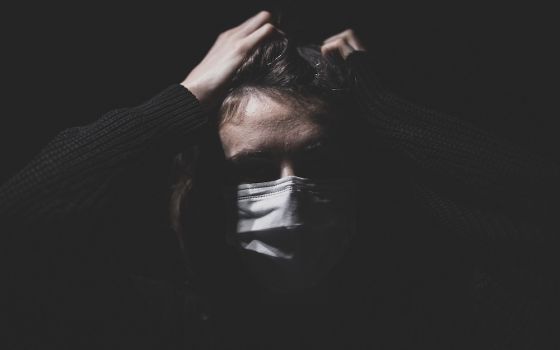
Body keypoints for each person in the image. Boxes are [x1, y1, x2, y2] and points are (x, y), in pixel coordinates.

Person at [2, 10, 559, 350]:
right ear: (206, 179)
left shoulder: (443, 312)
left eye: (317, 164)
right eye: (254, 170)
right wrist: (182, 102)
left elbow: (542, 216)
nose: (290, 193)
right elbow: (15, 228)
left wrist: (386, 112)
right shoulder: (148, 319)